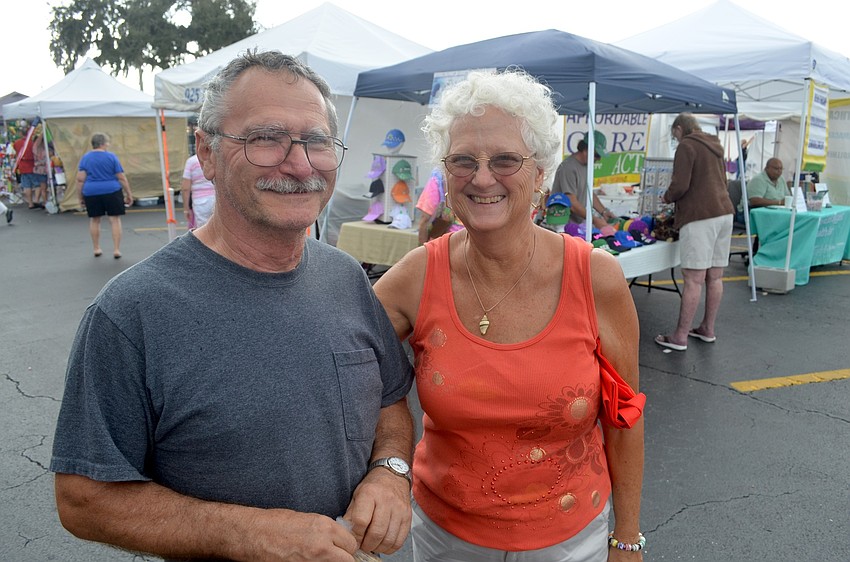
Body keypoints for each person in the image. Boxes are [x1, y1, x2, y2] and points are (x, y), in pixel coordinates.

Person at [51, 50, 415, 562]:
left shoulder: (346, 277)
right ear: (207, 153)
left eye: (316, 141)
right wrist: (248, 533)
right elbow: (82, 498)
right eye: (266, 138)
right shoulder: (132, 311)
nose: (299, 165)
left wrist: (391, 471)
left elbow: (390, 400)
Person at [375, 69, 645, 561]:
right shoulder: (418, 275)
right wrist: (385, 468)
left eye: (505, 160)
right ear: (446, 173)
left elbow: (624, 417)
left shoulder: (596, 278)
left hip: (571, 540)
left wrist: (626, 538)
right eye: (463, 160)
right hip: (444, 539)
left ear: (539, 173)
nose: (482, 178)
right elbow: (343, 366)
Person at [655, 113, 735, 351]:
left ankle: (680, 336)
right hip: (724, 212)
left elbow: (680, 184)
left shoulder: (687, 146)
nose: (676, 140)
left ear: (680, 128)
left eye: (675, 135)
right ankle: (707, 328)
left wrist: (667, 197)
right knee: (715, 276)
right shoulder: (715, 145)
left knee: (693, 278)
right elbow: (724, 182)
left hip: (700, 215)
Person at [75, 133, 133, 258]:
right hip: (111, 190)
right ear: (102, 144)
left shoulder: (86, 158)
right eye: (107, 142)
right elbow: (121, 177)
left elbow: (80, 180)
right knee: (114, 220)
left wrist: (80, 197)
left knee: (95, 220)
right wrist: (129, 193)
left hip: (91, 191)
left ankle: (96, 248)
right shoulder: (111, 157)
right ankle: (116, 249)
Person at [551, 131, 617, 229]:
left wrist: (604, 212)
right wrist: (594, 220)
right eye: (597, 155)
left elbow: (589, 193)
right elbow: (572, 202)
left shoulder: (586, 166)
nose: (598, 159)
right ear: (586, 150)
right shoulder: (568, 168)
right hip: (562, 224)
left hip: (576, 223)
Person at [415, 166, 463, 244]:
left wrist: (422, 248)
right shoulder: (478, 172)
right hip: (473, 242)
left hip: (445, 243)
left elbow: (425, 218)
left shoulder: (439, 174)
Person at [181, 152, 216, 228]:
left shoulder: (191, 162)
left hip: (200, 201)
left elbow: (185, 188)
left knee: (203, 229)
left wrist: (186, 209)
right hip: (216, 197)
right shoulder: (215, 158)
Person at [12, 124, 43, 209]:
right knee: (38, 184)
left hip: (22, 166)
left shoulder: (16, 143)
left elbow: (16, 151)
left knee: (27, 186)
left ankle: (30, 203)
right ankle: (36, 200)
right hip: (32, 165)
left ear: (21, 134)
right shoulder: (32, 143)